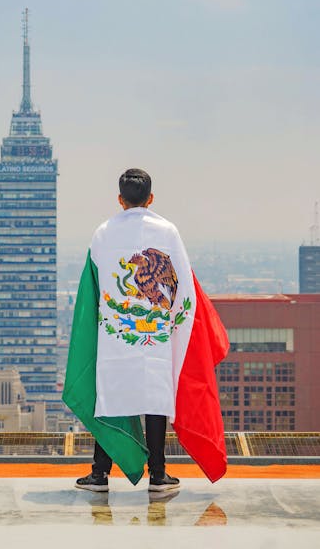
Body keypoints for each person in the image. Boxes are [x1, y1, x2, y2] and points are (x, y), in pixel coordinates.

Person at [63, 168, 229, 492]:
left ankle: (99, 473)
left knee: (108, 401)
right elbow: (185, 288)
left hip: (116, 338)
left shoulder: (102, 233)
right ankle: (158, 474)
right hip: (156, 337)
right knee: (156, 401)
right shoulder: (168, 232)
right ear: (150, 199)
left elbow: (91, 290)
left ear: (120, 199)